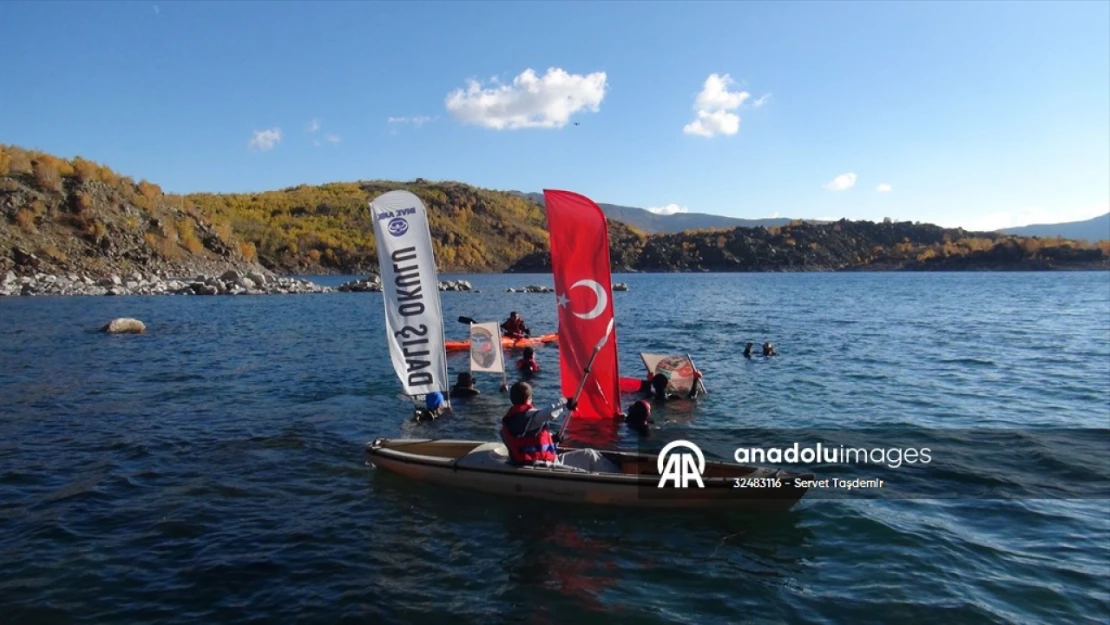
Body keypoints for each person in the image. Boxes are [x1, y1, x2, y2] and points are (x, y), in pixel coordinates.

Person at [500, 381, 621, 473]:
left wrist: (553, 440)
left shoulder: (510, 420)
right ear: (529, 399)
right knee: (587, 463)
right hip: (541, 466)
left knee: (589, 454)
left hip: (541, 461)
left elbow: (525, 441)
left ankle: (617, 475)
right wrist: (565, 402)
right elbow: (548, 413)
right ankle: (619, 479)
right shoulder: (530, 416)